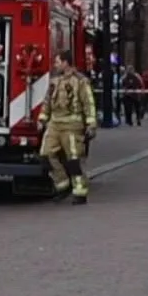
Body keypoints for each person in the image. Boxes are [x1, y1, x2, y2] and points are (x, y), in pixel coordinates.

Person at [39, 53, 98, 204]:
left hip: (73, 126)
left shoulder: (80, 81)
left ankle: (80, 191)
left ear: (66, 63)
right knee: (45, 155)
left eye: (58, 62)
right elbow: (47, 101)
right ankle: (62, 184)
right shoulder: (54, 80)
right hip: (55, 124)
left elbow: (88, 103)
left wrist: (91, 124)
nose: (55, 65)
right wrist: (42, 118)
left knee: (74, 159)